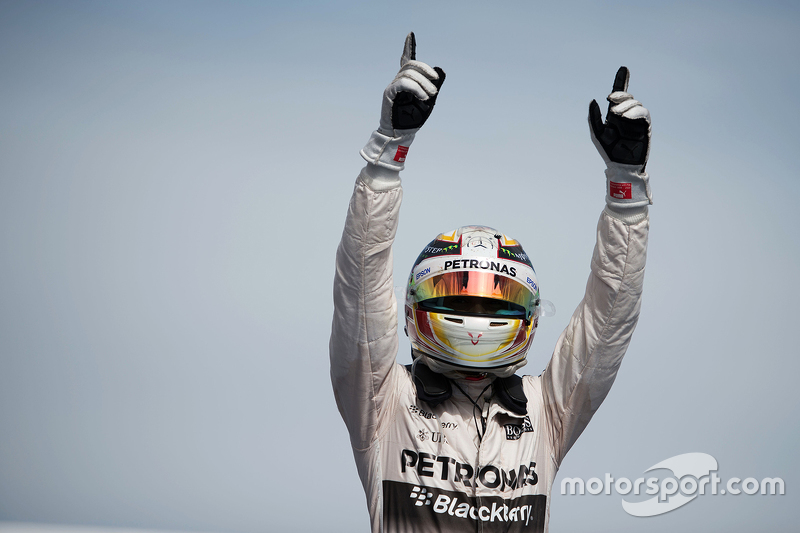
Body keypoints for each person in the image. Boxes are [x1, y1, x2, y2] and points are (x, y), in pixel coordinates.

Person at [329, 32, 652, 533]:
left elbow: (607, 322)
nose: (478, 320)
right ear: (417, 305)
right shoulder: (383, 402)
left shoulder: (547, 413)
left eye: (495, 303)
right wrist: (387, 152)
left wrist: (627, 190)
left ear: (528, 314)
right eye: (460, 298)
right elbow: (360, 284)